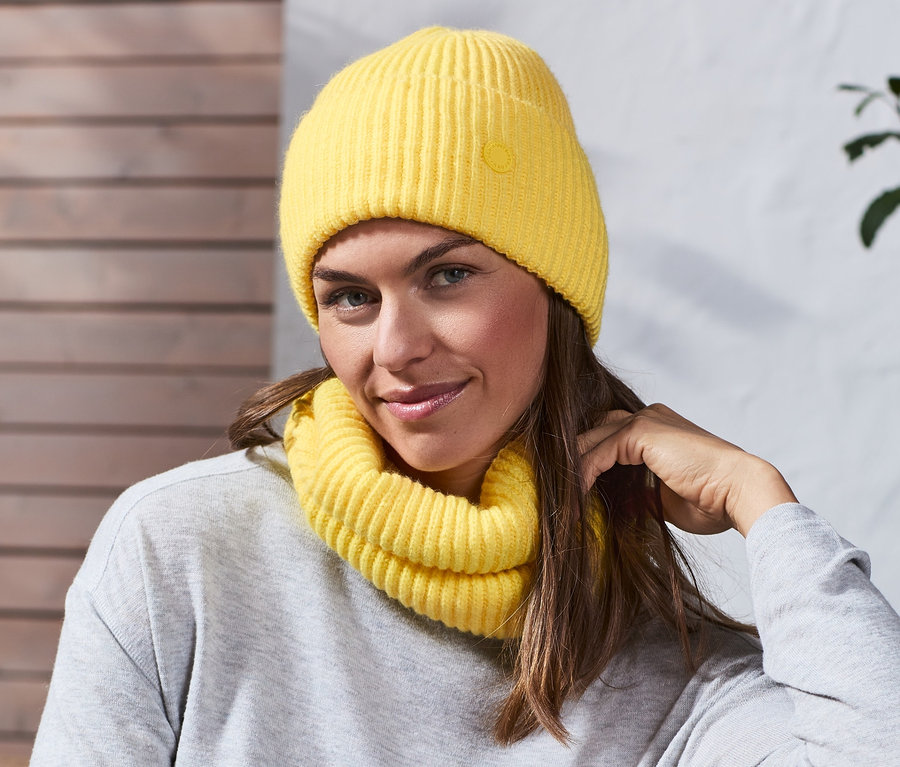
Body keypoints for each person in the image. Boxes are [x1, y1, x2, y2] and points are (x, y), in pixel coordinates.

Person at [31, 27, 900, 766]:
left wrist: (762, 501)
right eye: (351, 297)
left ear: (554, 291)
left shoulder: (666, 666)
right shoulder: (181, 550)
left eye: (447, 276)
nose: (395, 348)